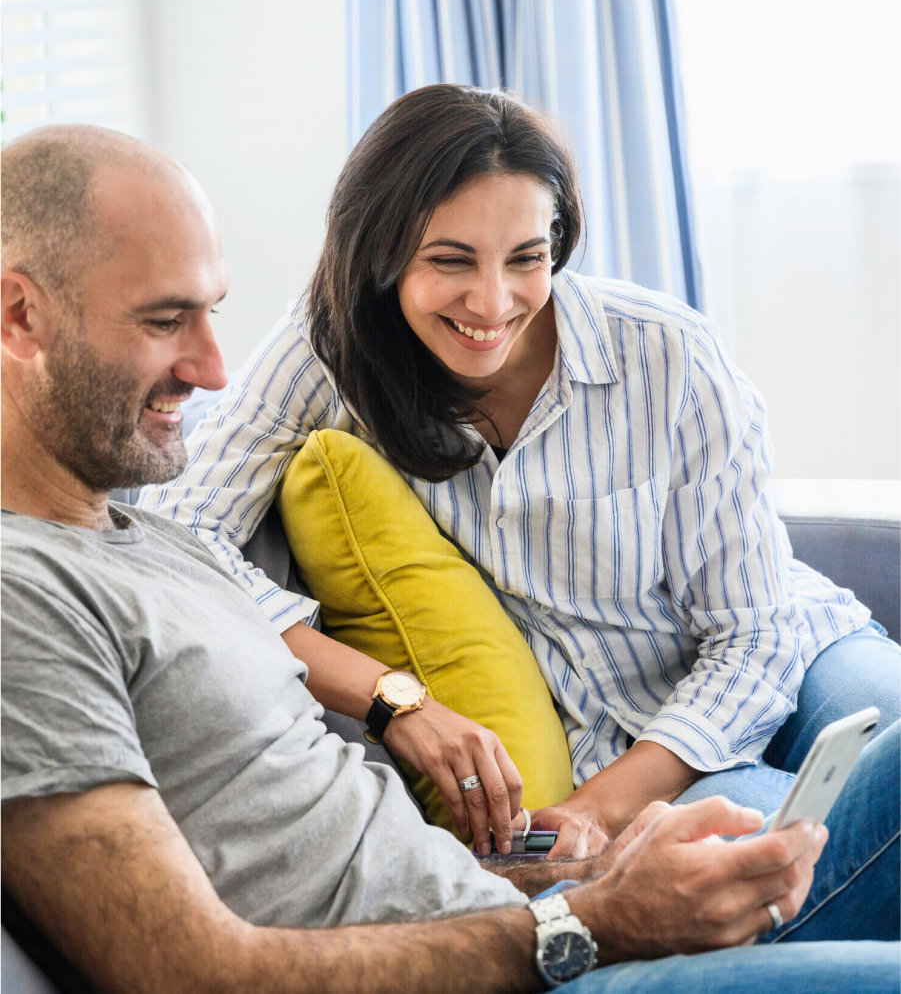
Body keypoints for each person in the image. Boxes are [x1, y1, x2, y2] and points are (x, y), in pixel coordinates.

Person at [0, 124, 900, 994]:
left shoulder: (140, 543)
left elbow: (750, 635)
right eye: (165, 319)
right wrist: (593, 915)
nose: (213, 369)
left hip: (731, 681)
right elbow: (184, 965)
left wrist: (573, 879)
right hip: (543, 939)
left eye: (526, 256)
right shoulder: (34, 596)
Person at [143, 84, 901, 857]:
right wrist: (389, 699)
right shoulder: (329, 346)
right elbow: (175, 537)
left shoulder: (665, 352)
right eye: (450, 260)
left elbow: (755, 635)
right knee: (757, 863)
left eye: (526, 258)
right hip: (632, 740)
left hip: (797, 659)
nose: (494, 300)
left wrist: (594, 810)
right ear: (380, 251)